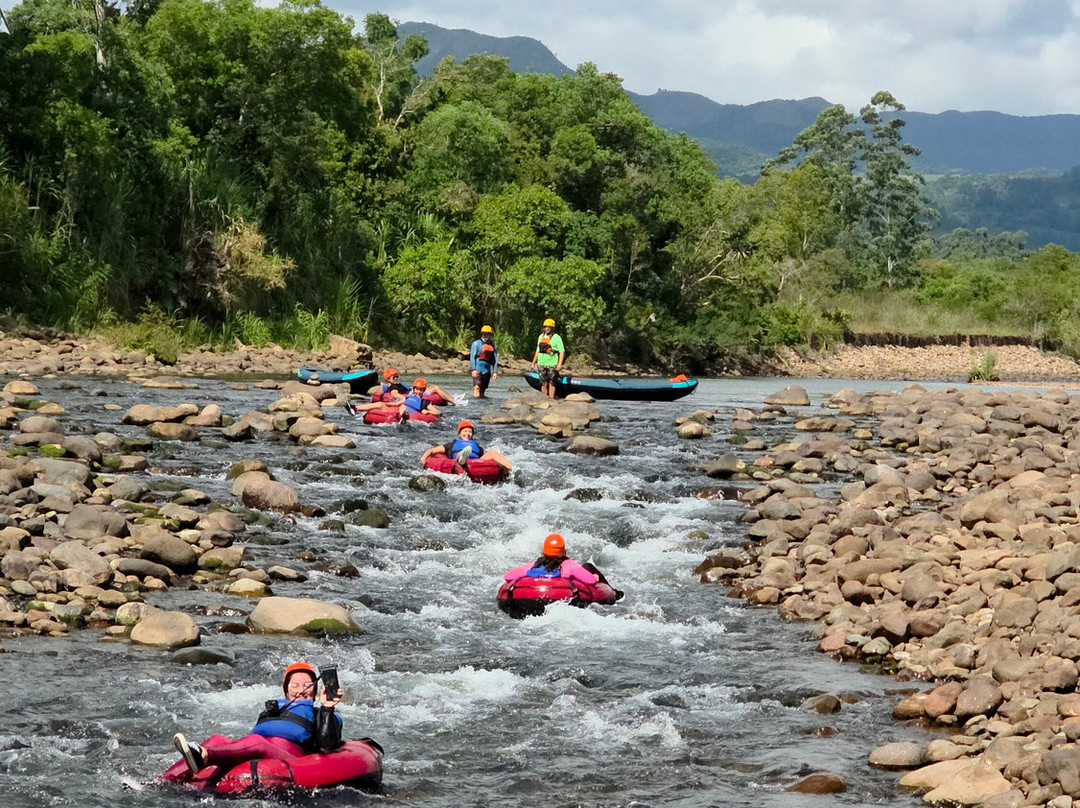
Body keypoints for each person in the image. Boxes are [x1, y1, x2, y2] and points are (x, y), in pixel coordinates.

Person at [172, 661, 343, 774]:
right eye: (294, 685)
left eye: (307, 686)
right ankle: (163, 779)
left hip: (293, 757)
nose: (301, 690)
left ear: (315, 690)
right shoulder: (275, 709)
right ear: (286, 690)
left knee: (258, 743)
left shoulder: (322, 713)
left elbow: (327, 746)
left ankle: (204, 755)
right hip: (261, 749)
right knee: (216, 739)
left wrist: (327, 708)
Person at [504, 533, 620, 598]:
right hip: (559, 595)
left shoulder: (534, 564)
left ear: (544, 550)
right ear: (563, 551)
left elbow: (508, 576)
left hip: (529, 596)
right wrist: (596, 577)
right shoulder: (569, 564)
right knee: (588, 566)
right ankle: (615, 593)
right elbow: (590, 581)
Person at [420, 420, 513, 472]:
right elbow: (432, 451)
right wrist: (424, 458)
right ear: (459, 434)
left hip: (475, 461)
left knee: (493, 453)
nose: (467, 433)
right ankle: (463, 457)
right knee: (461, 453)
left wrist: (497, 458)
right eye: (465, 431)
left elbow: (487, 454)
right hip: (458, 460)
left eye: (470, 432)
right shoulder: (452, 444)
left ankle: (513, 469)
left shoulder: (476, 445)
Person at [529, 317, 565, 399]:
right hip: (541, 363)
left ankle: (551, 400)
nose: (547, 328)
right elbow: (537, 351)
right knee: (543, 383)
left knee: (552, 383)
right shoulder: (540, 337)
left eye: (549, 327)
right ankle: (544, 400)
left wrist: (559, 364)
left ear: (552, 328)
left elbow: (562, 351)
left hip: (552, 364)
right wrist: (533, 363)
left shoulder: (557, 337)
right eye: (546, 327)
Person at [469, 325, 499, 398]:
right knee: (477, 387)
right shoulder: (476, 344)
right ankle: (476, 405)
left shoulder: (493, 345)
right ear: (482, 333)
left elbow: (495, 359)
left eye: (487, 333)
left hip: (487, 371)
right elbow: (472, 357)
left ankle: (482, 406)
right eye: (484, 333)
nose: (485, 335)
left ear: (490, 335)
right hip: (477, 370)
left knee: (482, 390)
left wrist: (495, 371)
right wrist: (473, 369)